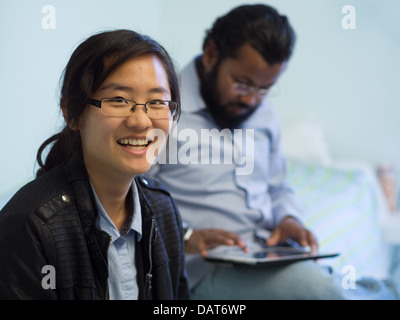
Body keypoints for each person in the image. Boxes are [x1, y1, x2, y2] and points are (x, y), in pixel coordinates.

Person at [146, 4, 399, 299]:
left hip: (266, 254)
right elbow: (137, 195)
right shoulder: (161, 108)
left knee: (322, 285)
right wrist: (186, 235)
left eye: (265, 89)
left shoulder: (263, 115)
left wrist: (288, 219)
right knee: (322, 292)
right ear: (212, 53)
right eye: (242, 84)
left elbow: (278, 186)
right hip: (201, 269)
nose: (252, 100)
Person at [0, 29, 189, 300]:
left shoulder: (163, 208)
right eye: (119, 100)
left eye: (157, 102)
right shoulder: (32, 225)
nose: (141, 121)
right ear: (72, 113)